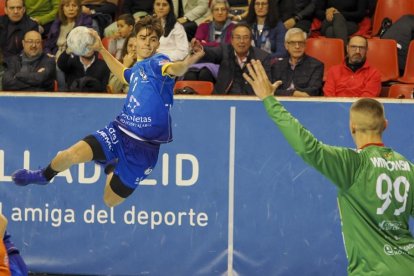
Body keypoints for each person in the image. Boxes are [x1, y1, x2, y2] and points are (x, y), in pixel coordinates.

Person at [243, 59, 414, 276]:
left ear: (351, 126)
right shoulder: (407, 167)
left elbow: (308, 147)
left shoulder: (354, 164)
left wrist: (270, 100)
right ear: (385, 125)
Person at [12, 15, 205, 208]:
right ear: (135, 40)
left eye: (153, 39)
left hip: (143, 149)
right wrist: (102, 49)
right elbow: (123, 74)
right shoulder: (137, 68)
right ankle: (43, 176)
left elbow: (175, 68)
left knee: (109, 200)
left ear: (157, 44)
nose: (148, 43)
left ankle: (110, 166)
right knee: (69, 155)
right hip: (119, 131)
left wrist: (188, 62)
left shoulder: (158, 63)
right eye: (143, 38)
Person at [196, 22, 271, 95]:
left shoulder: (262, 57)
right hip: (224, 99)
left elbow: (266, 85)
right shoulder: (225, 50)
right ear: (231, 40)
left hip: (250, 101)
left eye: (245, 37)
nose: (241, 41)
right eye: (238, 37)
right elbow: (211, 53)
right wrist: (200, 49)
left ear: (251, 40)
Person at [44, 0, 93, 91]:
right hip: (56, 55)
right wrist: (48, 53)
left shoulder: (85, 22)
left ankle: (63, 92)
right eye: (67, 6)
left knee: (58, 66)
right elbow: (48, 44)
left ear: (79, 8)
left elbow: (87, 43)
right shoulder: (57, 24)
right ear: (62, 9)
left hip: (75, 55)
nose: (71, 9)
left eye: (74, 6)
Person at [182, 0, 235, 83]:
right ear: (212, 12)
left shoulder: (234, 28)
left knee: (205, 73)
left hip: (223, 63)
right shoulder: (203, 26)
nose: (220, 12)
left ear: (227, 12)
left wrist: (205, 45)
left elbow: (227, 47)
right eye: (216, 10)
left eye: (223, 9)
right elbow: (197, 47)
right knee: (190, 74)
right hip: (201, 61)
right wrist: (217, 45)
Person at [271, 28, 323, 96]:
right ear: (286, 45)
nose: (297, 46)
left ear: (305, 45)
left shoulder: (316, 65)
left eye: (301, 43)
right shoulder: (277, 66)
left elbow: (314, 91)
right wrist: (293, 93)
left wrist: (288, 93)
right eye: (293, 43)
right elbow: (272, 90)